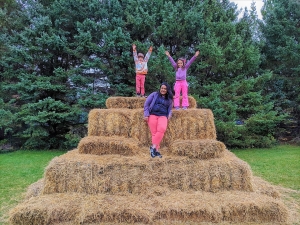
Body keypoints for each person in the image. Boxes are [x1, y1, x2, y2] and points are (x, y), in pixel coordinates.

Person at [144, 82, 173, 158]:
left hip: (163, 116)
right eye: (162, 88)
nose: (163, 90)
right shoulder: (154, 94)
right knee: (154, 133)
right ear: (160, 88)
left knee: (162, 130)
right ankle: (156, 151)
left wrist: (169, 115)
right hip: (153, 114)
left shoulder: (169, 99)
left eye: (165, 89)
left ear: (167, 90)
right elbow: (146, 104)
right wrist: (146, 114)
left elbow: (170, 109)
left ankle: (152, 147)